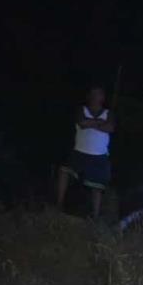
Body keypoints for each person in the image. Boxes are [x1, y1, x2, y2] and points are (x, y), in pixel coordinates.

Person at [57, 86, 114, 220]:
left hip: (99, 155)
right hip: (80, 153)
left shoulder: (108, 113)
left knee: (97, 187)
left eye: (98, 94)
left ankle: (95, 216)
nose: (95, 97)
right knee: (64, 171)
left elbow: (110, 127)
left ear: (103, 97)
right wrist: (100, 123)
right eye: (93, 94)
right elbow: (82, 123)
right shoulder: (81, 110)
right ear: (89, 96)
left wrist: (92, 123)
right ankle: (59, 205)